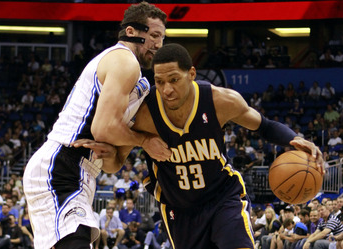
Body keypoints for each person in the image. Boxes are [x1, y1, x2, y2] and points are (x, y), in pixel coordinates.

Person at [73, 43, 324, 249]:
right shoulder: (145, 115)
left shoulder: (220, 101)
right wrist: (103, 155)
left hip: (222, 196)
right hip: (179, 208)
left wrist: (294, 138)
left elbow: (264, 125)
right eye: (159, 82)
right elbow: (116, 162)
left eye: (174, 79)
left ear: (191, 74)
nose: (166, 89)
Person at [23, 2, 169, 249]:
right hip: (61, 165)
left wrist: (114, 151)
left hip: (80, 170)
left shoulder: (136, 79)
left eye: (162, 38)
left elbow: (111, 164)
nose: (158, 44)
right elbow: (103, 128)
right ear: (132, 31)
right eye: (154, 35)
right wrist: (144, 141)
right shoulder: (124, 61)